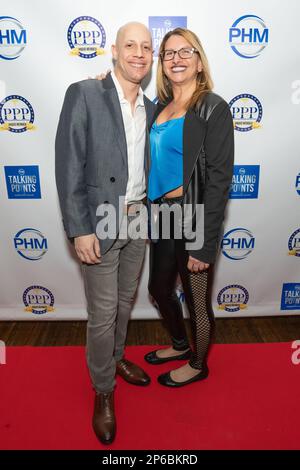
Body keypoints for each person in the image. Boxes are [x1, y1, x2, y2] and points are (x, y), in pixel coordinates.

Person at [55, 22, 156, 445]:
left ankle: (115, 359)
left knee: (123, 301)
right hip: (99, 222)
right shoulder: (85, 93)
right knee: (102, 315)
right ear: (113, 51)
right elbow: (69, 164)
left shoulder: (152, 108)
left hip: (139, 219)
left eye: (146, 47)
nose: (138, 53)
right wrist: (80, 229)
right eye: (130, 45)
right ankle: (103, 391)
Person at [144, 28, 234, 387]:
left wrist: (205, 242)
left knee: (197, 298)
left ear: (199, 61)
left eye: (186, 52)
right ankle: (180, 344)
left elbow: (218, 180)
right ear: (163, 64)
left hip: (193, 214)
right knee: (158, 288)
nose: (177, 58)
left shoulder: (212, 107)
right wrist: (102, 83)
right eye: (169, 53)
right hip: (164, 216)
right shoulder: (159, 108)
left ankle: (198, 364)